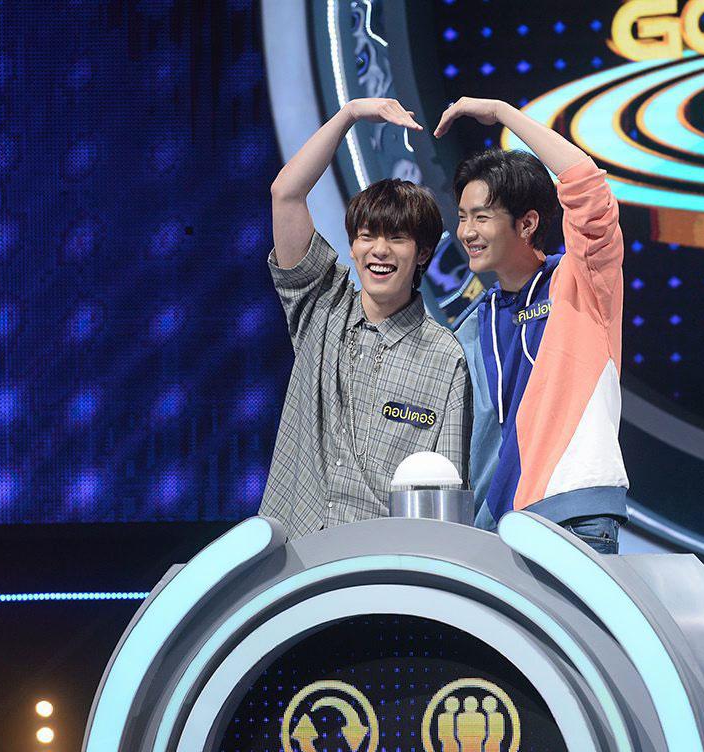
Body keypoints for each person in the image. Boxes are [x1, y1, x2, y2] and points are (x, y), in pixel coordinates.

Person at [260, 98, 471, 538]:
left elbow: (447, 499)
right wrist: (349, 114)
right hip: (293, 552)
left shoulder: (446, 358)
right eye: (367, 236)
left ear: (423, 253)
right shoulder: (321, 304)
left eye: (397, 238)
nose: (379, 250)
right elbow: (286, 194)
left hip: (378, 562)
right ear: (353, 247)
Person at [434, 97, 629, 554]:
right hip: (495, 533)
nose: (467, 232)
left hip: (573, 518)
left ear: (527, 224)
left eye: (481, 217)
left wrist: (503, 113)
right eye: (462, 218)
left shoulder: (581, 283)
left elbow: (586, 185)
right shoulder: (471, 326)